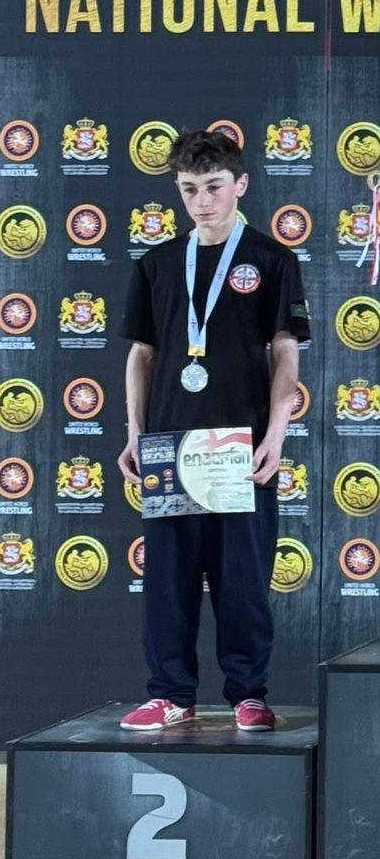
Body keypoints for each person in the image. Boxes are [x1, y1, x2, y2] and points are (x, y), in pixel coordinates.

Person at [117, 128, 311, 732]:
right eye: (189, 189)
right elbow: (142, 354)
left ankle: (248, 694)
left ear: (240, 184)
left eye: (213, 187)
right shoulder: (156, 263)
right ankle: (170, 693)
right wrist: (134, 431)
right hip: (171, 446)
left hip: (240, 447)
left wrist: (276, 434)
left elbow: (285, 351)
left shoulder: (272, 260)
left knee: (243, 580)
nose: (201, 201)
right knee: (167, 581)